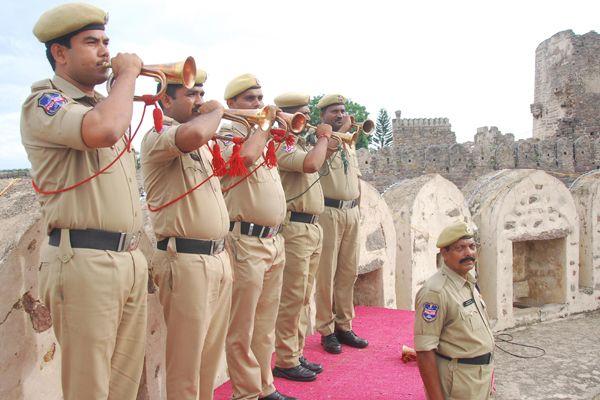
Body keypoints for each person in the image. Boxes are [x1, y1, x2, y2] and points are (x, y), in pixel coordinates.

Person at [21, 3, 147, 399]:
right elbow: (106, 130)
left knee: (122, 386)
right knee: (89, 388)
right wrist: (127, 77)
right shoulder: (45, 103)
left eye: (107, 42)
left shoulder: (100, 105)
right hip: (85, 263)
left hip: (127, 260)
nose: (105, 51)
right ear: (60, 53)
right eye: (91, 42)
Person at [140, 69, 231, 399]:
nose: (200, 101)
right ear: (166, 99)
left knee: (208, 360)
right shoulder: (157, 136)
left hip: (217, 258)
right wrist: (219, 112)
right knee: (185, 365)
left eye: (202, 94)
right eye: (191, 94)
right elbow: (191, 136)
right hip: (185, 259)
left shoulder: (204, 142)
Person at [220, 74, 294, 400]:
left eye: (260, 97)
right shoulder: (227, 132)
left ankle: (265, 386)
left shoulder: (260, 134)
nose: (259, 104)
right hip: (245, 242)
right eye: (250, 99)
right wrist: (264, 125)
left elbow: (292, 140)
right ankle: (246, 393)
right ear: (232, 104)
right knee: (242, 328)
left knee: (265, 325)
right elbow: (244, 159)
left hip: (273, 242)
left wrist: (277, 125)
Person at [272, 92, 332, 382]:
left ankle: (294, 352)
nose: (309, 119)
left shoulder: (298, 144)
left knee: (303, 296)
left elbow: (318, 162)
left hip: (310, 228)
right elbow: (310, 165)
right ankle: (285, 358)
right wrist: (322, 139)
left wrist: (326, 143)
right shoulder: (280, 145)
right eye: (304, 114)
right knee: (292, 297)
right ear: (289, 116)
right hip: (294, 228)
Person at [414, 221, 495, 400]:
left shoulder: (467, 281)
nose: (469, 253)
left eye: (472, 246)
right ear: (444, 253)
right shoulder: (435, 292)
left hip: (479, 378)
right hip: (459, 384)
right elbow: (425, 352)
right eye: (460, 248)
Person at [314, 94, 368, 354]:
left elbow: (356, 178)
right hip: (328, 212)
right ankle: (326, 330)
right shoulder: (319, 138)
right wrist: (341, 131)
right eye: (334, 111)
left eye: (343, 110)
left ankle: (344, 326)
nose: (341, 115)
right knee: (326, 274)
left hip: (351, 213)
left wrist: (359, 207)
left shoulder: (349, 143)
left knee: (348, 272)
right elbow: (319, 163)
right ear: (322, 115)